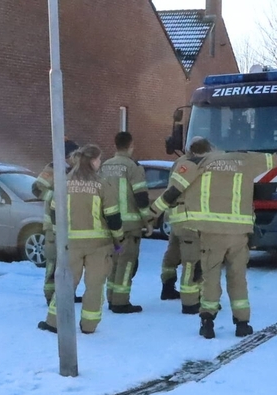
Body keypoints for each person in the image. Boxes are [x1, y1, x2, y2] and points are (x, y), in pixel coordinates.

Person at [149, 137, 277, 338]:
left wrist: (151, 213)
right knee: (237, 278)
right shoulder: (246, 160)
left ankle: (207, 322)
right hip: (239, 234)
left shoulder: (199, 163)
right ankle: (242, 323)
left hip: (211, 233)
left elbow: (172, 192)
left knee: (210, 277)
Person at [39, 145, 123, 334]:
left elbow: (53, 212)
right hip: (99, 246)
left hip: (71, 244)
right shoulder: (103, 184)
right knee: (94, 286)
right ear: (93, 161)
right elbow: (113, 218)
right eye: (99, 160)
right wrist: (118, 240)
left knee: (66, 284)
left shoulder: (64, 182)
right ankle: (89, 325)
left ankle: (53, 321)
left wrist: (59, 234)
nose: (100, 163)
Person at [100, 132, 153, 313]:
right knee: (127, 262)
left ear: (115, 146)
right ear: (131, 145)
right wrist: (148, 221)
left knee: (114, 261)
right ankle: (121, 301)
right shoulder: (133, 166)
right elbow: (141, 196)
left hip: (109, 225)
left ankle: (111, 297)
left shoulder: (104, 166)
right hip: (130, 227)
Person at [31, 139, 81, 305]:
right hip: (53, 227)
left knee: (69, 262)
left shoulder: (74, 171)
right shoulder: (53, 168)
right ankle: (50, 296)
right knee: (53, 262)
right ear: (69, 155)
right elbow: (37, 188)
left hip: (69, 226)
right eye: (76, 155)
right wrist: (56, 199)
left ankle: (67, 293)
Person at [159, 145, 205, 313]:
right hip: (189, 218)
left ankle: (167, 286)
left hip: (175, 217)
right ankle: (191, 301)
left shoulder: (178, 162)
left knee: (173, 253)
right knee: (192, 260)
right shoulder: (196, 165)